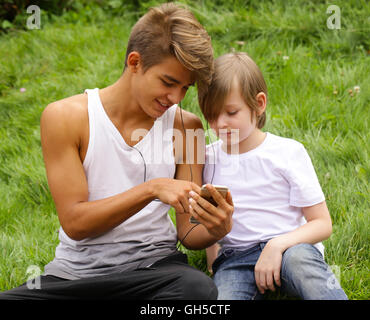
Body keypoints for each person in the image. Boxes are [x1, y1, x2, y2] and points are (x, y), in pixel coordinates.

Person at [0, 3, 234, 300]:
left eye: (185, 88)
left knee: (197, 290)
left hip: (156, 272)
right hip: (76, 279)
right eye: (168, 82)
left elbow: (188, 235)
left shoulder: (187, 127)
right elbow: (75, 223)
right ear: (134, 62)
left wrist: (218, 227)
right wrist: (151, 189)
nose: (175, 98)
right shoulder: (65, 117)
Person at [188, 52, 348, 300]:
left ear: (259, 103)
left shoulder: (287, 152)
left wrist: (277, 245)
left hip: (291, 250)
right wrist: (213, 264)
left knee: (307, 272)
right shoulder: (207, 159)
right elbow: (211, 218)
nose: (220, 124)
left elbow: (322, 223)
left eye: (231, 112)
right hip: (236, 259)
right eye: (211, 115)